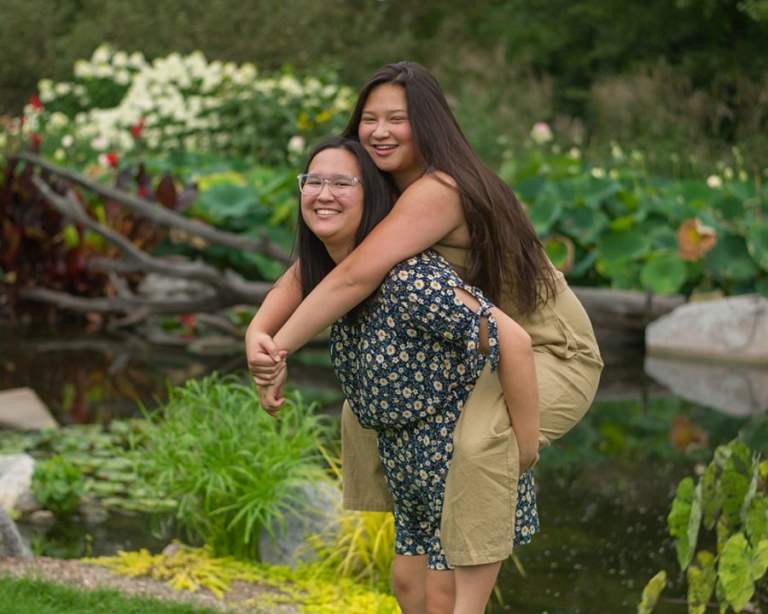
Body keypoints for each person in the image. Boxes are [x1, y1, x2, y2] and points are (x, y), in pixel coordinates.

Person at [247, 61, 603, 610]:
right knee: (371, 405)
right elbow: (310, 268)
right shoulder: (379, 185)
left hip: (549, 348)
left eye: (398, 118)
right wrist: (260, 333)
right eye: (369, 119)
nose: (380, 131)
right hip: (484, 343)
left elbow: (355, 275)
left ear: (429, 123)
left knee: (480, 443)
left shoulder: (440, 188)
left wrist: (523, 448)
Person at [272, 136, 539, 614]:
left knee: (443, 598)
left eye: (341, 183)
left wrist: (525, 447)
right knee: (408, 587)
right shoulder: (338, 278)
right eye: (313, 181)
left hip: (455, 458)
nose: (323, 193)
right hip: (407, 464)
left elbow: (512, 341)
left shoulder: (409, 279)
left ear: (372, 197)